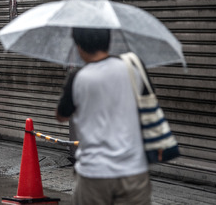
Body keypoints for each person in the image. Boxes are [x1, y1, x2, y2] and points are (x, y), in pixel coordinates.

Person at [55, 28, 151, 205]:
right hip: (133, 170)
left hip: (94, 173)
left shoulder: (78, 77)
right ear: (108, 42)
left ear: (79, 47)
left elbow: (61, 115)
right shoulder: (134, 69)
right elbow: (147, 103)